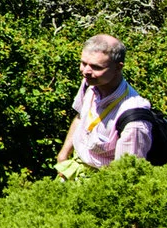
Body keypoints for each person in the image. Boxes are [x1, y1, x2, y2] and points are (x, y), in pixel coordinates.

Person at [57, 33, 153, 174]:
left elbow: (126, 174)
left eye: (96, 67)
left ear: (118, 68)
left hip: (101, 181)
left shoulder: (134, 120)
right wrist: (63, 155)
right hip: (73, 168)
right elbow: (80, 117)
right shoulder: (90, 84)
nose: (86, 72)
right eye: (84, 63)